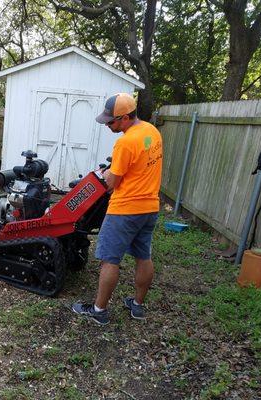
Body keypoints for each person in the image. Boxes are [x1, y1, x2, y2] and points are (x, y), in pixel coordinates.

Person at [71, 93, 163, 325]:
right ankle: (138, 306)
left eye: (110, 122)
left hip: (125, 209)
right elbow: (137, 165)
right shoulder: (152, 132)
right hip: (149, 207)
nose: (107, 125)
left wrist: (104, 174)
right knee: (144, 256)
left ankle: (99, 310)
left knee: (109, 259)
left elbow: (112, 183)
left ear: (124, 118)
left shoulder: (124, 142)